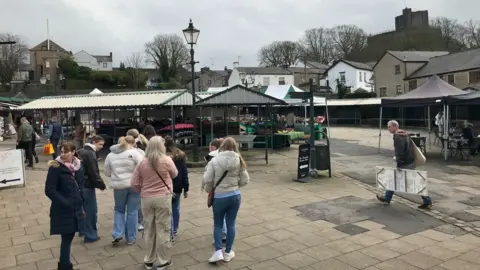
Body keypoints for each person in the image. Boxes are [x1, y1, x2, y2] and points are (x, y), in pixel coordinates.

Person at [132, 136, 177, 270]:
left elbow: (134, 182)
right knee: (162, 229)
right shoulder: (166, 160)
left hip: (146, 198)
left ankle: (149, 260)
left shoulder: (142, 162)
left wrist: (142, 192)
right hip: (163, 197)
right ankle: (163, 261)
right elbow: (175, 174)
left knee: (149, 229)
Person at [203, 137, 250, 263]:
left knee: (218, 224)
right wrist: (235, 185)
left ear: (222, 146)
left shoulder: (214, 160)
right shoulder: (239, 160)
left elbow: (207, 179)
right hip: (235, 195)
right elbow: (245, 180)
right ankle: (228, 252)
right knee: (231, 224)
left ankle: (218, 251)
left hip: (219, 196)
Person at [45, 142, 84, 270]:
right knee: (67, 238)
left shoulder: (77, 166)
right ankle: (65, 266)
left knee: (69, 236)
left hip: (76, 208)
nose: (62, 154)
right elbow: (49, 190)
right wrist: (65, 202)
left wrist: (81, 206)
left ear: (73, 152)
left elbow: (79, 187)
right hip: (63, 209)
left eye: (65, 152)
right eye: (61, 152)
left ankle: (65, 264)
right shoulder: (55, 167)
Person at [376, 120, 433, 209]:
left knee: (411, 181)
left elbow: (400, 151)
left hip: (405, 163)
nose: (388, 129)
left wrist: (399, 163)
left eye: (389, 127)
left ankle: (427, 200)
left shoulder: (398, 137)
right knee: (395, 180)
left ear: (395, 126)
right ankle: (387, 198)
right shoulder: (404, 134)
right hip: (409, 161)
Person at [104, 136, 144, 245]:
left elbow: (107, 172)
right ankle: (131, 238)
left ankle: (117, 233)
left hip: (119, 186)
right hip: (134, 185)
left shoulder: (110, 155)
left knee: (119, 210)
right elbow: (142, 167)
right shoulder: (135, 153)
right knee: (132, 211)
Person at [77, 135, 106, 243]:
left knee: (83, 209)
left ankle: (82, 230)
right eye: (100, 144)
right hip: (88, 185)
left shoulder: (81, 151)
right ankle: (90, 235)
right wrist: (101, 184)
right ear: (94, 142)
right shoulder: (90, 153)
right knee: (91, 211)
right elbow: (93, 172)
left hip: (80, 184)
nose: (101, 147)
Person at [164, 136, 189, 243]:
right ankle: (174, 229)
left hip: (165, 185)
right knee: (176, 208)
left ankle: (170, 230)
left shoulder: (162, 156)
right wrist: (186, 188)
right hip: (177, 185)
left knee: (167, 209)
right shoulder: (181, 155)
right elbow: (184, 172)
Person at [203, 138, 228, 242]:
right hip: (231, 189)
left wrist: (208, 189)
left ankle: (221, 235)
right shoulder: (232, 156)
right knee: (227, 215)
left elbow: (208, 177)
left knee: (218, 215)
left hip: (217, 188)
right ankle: (226, 233)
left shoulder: (211, 157)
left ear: (213, 147)